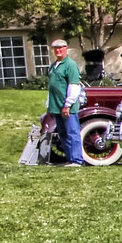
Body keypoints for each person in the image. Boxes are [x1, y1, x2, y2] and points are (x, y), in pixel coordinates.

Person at [46, 38, 86, 168]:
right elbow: (52, 87)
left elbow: (74, 86)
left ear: (65, 49)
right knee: (63, 133)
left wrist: (67, 105)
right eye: (55, 48)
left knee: (72, 132)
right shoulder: (54, 65)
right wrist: (49, 105)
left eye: (60, 48)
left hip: (67, 107)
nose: (58, 50)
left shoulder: (70, 65)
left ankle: (77, 160)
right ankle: (69, 159)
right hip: (56, 105)